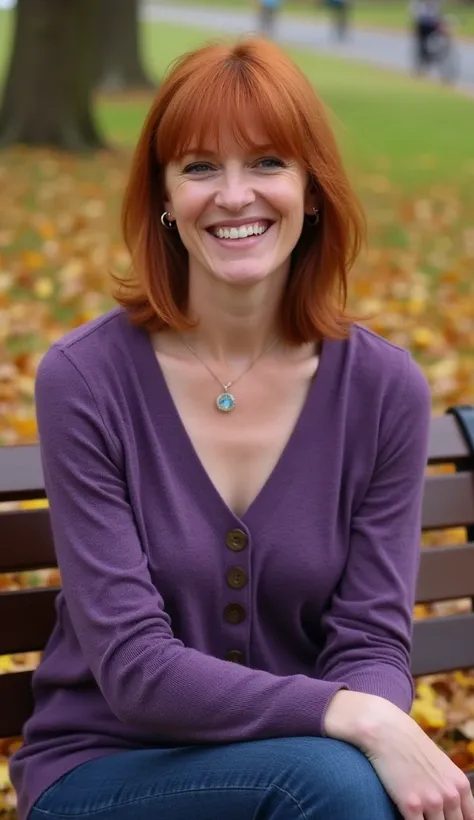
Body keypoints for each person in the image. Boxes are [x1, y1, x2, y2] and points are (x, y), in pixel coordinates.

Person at [10, 37, 474, 820]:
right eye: (199, 167)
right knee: (332, 784)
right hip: (106, 773)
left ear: (313, 190)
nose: (234, 196)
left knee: (338, 785)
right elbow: (135, 668)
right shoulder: (86, 380)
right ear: (163, 194)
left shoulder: (382, 389)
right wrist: (356, 718)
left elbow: (368, 641)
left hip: (313, 775)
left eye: (267, 164)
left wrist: (365, 715)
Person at [410, 0, 443, 71]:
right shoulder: (419, 4)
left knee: (437, 39)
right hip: (422, 25)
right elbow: (415, 15)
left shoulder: (435, 3)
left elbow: (438, 14)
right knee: (422, 44)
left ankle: (434, 56)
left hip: (432, 25)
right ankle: (422, 61)